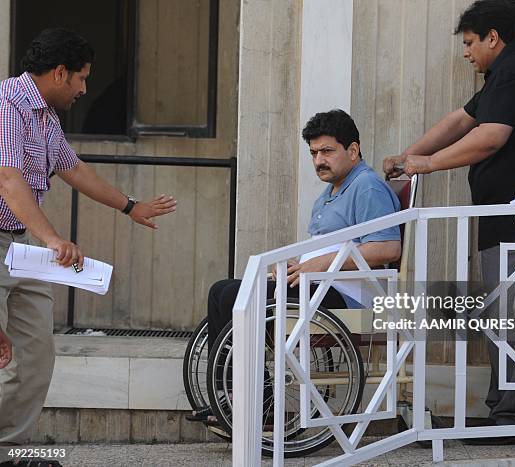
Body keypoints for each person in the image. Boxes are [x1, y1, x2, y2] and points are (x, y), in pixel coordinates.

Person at [0, 28, 176, 465]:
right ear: (60, 73)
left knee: (36, 354)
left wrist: (129, 205)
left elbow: (72, 168)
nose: (84, 89)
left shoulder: (45, 117)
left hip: (23, 249)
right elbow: (8, 179)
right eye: (81, 78)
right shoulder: (8, 105)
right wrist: (54, 237)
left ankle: (7, 453)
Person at [383, 0, 515, 443]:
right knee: (504, 314)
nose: (466, 53)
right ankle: (510, 409)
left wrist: (428, 164)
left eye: (470, 43)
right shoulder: (506, 74)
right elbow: (462, 119)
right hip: (505, 217)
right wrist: (408, 157)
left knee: (513, 316)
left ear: (494, 38)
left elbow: (489, 137)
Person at [194, 109, 402, 423]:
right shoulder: (330, 193)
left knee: (236, 294)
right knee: (221, 290)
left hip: (348, 299)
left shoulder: (367, 187)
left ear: (354, 150)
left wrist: (318, 263)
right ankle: (235, 396)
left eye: (328, 151)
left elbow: (388, 246)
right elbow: (326, 249)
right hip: (317, 289)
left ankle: (251, 403)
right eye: (314, 153)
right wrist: (296, 265)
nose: (319, 160)